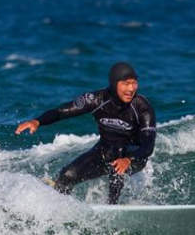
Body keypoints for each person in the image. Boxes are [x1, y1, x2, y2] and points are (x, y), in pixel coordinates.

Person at [15, 62, 156, 204]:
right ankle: (60, 207)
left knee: (118, 150)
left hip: (135, 156)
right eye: (126, 83)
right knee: (67, 176)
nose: (131, 88)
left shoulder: (142, 107)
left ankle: (112, 204)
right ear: (114, 83)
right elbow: (63, 111)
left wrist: (129, 159)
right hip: (105, 150)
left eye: (134, 83)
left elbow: (148, 145)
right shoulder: (97, 99)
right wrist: (37, 121)